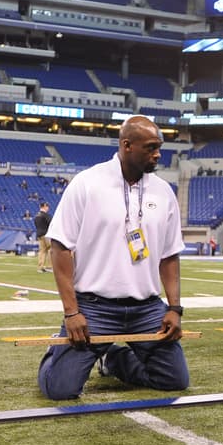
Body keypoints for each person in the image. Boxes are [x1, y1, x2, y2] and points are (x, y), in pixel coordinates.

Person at [38, 116, 189, 399]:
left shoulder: (164, 191)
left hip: (146, 309)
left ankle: (114, 360)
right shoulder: (87, 183)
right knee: (60, 388)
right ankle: (55, 354)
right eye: (151, 147)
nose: (158, 154)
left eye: (160, 147)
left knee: (174, 379)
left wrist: (174, 308)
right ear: (127, 145)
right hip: (95, 308)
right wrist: (72, 312)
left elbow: (169, 256)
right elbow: (60, 248)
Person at [33, 202, 52, 272]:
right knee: (51, 249)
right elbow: (52, 223)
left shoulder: (37, 215)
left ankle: (40, 267)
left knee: (42, 251)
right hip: (46, 234)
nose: (48, 208)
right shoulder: (46, 215)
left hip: (39, 234)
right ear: (44, 206)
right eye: (47, 206)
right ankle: (50, 266)